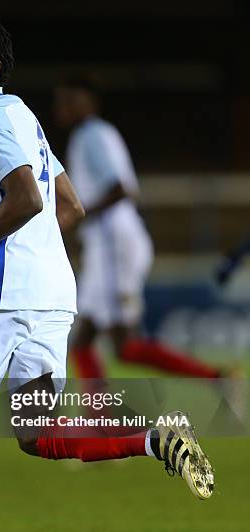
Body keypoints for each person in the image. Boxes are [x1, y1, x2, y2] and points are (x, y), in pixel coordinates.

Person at [0, 16, 214, 532]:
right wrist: (29, 253)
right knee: (35, 431)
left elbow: (25, 197)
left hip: (11, 286)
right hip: (54, 287)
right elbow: (67, 205)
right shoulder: (21, 113)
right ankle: (153, 437)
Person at [54, 75, 228, 383]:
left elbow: (120, 189)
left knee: (125, 345)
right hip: (106, 244)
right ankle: (101, 423)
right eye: (61, 102)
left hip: (113, 244)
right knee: (82, 341)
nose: (63, 107)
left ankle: (218, 378)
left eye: (71, 100)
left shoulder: (91, 135)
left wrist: (75, 216)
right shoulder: (95, 134)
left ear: (89, 103)